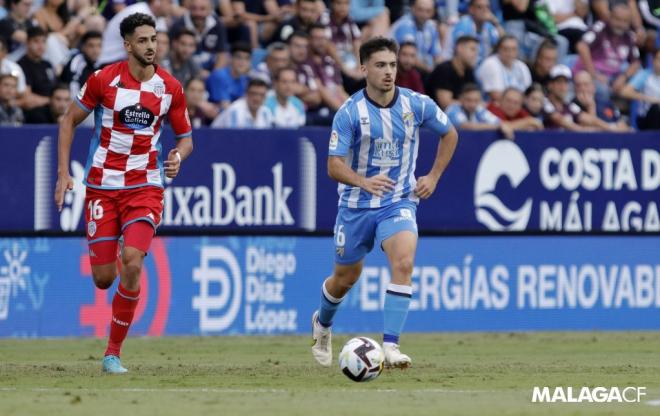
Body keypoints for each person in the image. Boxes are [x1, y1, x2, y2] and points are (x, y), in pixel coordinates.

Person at [54, 12, 193, 374]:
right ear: (128, 45)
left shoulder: (170, 88)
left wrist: (177, 156)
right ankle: (115, 245)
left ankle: (112, 353)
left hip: (146, 186)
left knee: (133, 262)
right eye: (144, 40)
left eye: (154, 39)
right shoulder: (103, 80)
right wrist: (62, 174)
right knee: (103, 279)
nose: (151, 46)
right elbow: (68, 119)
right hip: (102, 186)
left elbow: (186, 138)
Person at [310, 37, 458, 369]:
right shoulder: (350, 113)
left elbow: (450, 134)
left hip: (399, 201)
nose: (388, 72)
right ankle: (322, 324)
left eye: (392, 65)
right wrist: (364, 181)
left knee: (403, 263)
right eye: (380, 65)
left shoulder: (416, 104)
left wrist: (433, 176)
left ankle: (391, 346)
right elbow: (333, 166)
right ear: (364, 69)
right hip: (356, 205)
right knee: (345, 278)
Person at [425, 34, 479, 109]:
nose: (475, 54)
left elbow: (475, 97)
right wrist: (470, 103)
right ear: (459, 48)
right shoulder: (444, 70)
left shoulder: (469, 71)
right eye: (472, 49)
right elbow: (445, 104)